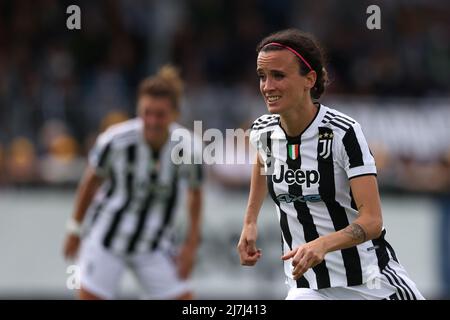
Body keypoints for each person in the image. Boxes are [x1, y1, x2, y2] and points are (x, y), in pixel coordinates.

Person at [237, 29, 424, 300]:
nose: (267, 87)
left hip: (372, 284)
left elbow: (372, 221)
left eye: (278, 76)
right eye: (262, 77)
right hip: (309, 288)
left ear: (309, 80)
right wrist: (249, 221)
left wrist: (322, 245)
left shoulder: (343, 133)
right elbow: (262, 160)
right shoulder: (263, 131)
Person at [63, 65, 203, 300]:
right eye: (146, 112)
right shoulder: (116, 141)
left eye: (160, 114)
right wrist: (74, 229)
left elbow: (195, 193)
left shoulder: (188, 148)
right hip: (107, 238)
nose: (152, 121)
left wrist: (190, 246)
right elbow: (91, 181)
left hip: (154, 243)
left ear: (174, 114)